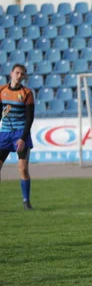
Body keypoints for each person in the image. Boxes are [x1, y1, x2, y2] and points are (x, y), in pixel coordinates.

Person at [0, 64, 35, 210]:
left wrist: (22, 137)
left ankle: (26, 201)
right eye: (17, 73)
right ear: (11, 73)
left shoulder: (27, 93)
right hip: (5, 133)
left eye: (22, 74)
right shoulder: (2, 90)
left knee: (22, 167)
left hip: (20, 133)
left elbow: (29, 118)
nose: (19, 76)